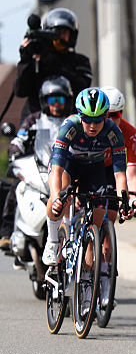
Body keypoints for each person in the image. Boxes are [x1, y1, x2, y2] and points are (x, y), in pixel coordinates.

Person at [42, 88, 129, 269]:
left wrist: (124, 199)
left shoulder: (113, 132)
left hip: (93, 168)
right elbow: (56, 170)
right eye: (87, 119)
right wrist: (56, 196)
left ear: (106, 116)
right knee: (59, 195)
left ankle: (88, 276)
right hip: (68, 164)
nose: (92, 125)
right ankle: (52, 242)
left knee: (98, 212)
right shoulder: (70, 126)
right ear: (79, 115)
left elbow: (120, 173)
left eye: (98, 120)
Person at [0, 77, 72, 266]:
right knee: (17, 186)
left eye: (61, 100)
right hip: (40, 166)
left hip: (64, 169)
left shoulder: (72, 121)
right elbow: (20, 137)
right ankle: (7, 232)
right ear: (44, 101)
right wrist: (14, 149)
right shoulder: (35, 119)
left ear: (68, 100)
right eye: (52, 100)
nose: (56, 104)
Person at [15, 9, 92, 121]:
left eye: (64, 33)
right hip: (36, 123)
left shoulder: (80, 61)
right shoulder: (37, 58)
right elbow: (20, 91)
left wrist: (51, 61)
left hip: (69, 125)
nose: (59, 38)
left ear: (72, 35)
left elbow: (81, 88)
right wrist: (25, 60)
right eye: (55, 34)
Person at [100, 87, 136, 217]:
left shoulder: (131, 134)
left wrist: (133, 198)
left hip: (110, 170)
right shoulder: (92, 128)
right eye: (107, 115)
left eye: (116, 114)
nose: (112, 120)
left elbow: (132, 175)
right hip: (89, 166)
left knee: (112, 215)